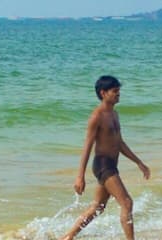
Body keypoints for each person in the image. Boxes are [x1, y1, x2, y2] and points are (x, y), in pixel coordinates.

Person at [63, 76, 152, 240]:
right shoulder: (97, 116)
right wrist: (80, 176)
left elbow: (120, 143)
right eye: (115, 91)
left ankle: (68, 237)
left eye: (119, 91)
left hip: (112, 164)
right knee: (127, 203)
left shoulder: (114, 114)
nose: (118, 94)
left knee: (98, 207)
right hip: (103, 165)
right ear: (103, 93)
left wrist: (139, 162)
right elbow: (87, 146)